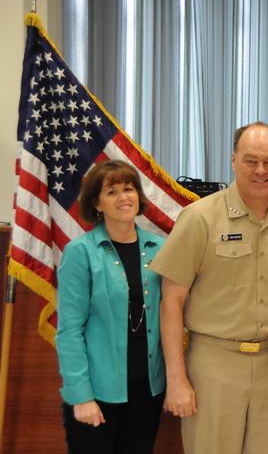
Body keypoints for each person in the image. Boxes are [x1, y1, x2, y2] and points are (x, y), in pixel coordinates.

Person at [150, 122, 268, 454]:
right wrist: (176, 378)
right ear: (234, 160)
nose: (260, 170)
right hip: (213, 363)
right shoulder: (199, 218)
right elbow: (171, 302)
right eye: (251, 160)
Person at [56, 160, 165, 453]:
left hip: (148, 389)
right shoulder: (80, 253)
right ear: (97, 204)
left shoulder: (160, 249)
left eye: (129, 189)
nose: (123, 197)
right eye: (112, 192)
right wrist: (81, 396)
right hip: (97, 392)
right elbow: (69, 332)